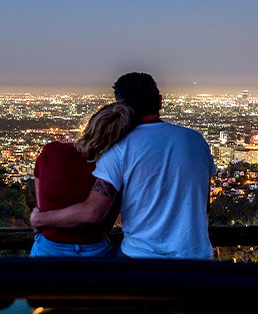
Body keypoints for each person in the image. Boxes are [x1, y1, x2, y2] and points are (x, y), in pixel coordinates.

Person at [31, 72, 215, 259]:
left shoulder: (120, 147)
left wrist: (40, 219)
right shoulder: (196, 140)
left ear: (121, 107)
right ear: (160, 101)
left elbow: (93, 211)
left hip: (140, 257)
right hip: (196, 258)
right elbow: (204, 205)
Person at [30, 102, 134, 257]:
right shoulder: (116, 167)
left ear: (91, 123)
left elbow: (42, 205)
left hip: (48, 247)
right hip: (93, 248)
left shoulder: (51, 152)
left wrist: (40, 220)